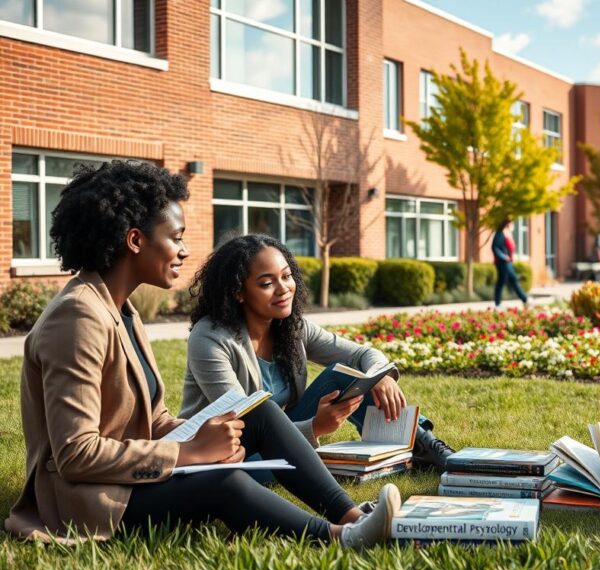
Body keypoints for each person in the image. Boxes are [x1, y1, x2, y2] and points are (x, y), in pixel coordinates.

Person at [3, 161, 399, 547]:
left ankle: (351, 514)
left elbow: (151, 418)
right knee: (224, 482)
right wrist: (188, 452)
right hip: (92, 501)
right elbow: (76, 454)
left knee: (257, 411)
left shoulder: (121, 309)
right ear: (136, 240)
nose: (183, 250)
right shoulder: (77, 317)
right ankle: (341, 537)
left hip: (131, 476)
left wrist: (207, 436)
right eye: (175, 237)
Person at [180, 234, 455, 476]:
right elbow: (245, 425)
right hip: (230, 453)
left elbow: (362, 354)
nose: (283, 288)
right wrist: (315, 427)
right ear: (238, 292)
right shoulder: (210, 337)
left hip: (277, 435)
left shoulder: (291, 328)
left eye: (287, 276)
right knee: (254, 460)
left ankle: (424, 446)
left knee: (343, 375)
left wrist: (380, 377)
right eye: (266, 283)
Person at [491, 218, 529, 307]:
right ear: (507, 224)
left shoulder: (507, 234)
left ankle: (524, 299)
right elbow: (494, 247)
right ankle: (524, 299)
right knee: (507, 280)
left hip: (508, 262)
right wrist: (504, 257)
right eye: (512, 224)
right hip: (502, 262)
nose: (513, 226)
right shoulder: (500, 234)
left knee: (510, 280)